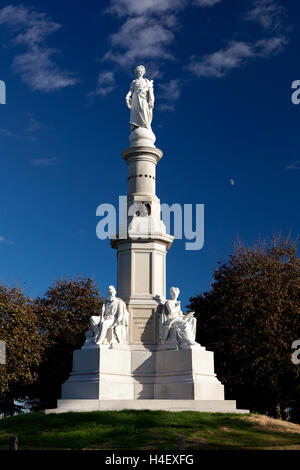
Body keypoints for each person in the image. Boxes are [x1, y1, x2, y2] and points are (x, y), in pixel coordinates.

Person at [125, 65, 154, 131]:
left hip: (143, 97)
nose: (139, 72)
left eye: (141, 71)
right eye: (138, 71)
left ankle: (146, 124)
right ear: (136, 72)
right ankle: (136, 125)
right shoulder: (134, 82)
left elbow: (149, 91)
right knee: (135, 111)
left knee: (144, 109)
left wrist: (150, 100)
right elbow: (131, 91)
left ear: (143, 72)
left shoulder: (146, 81)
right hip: (135, 97)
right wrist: (127, 96)